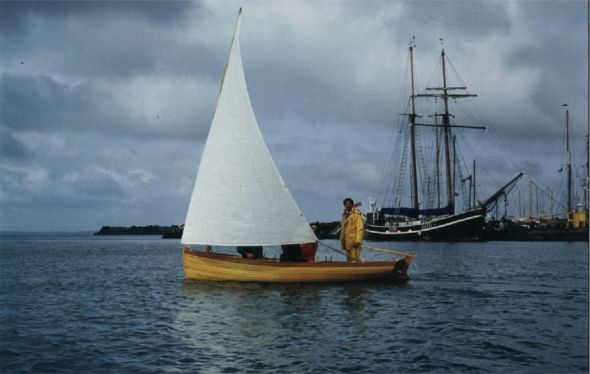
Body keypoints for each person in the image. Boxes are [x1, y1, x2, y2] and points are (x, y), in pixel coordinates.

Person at [340, 198, 364, 262]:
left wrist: (358, 241)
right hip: (347, 243)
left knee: (355, 260)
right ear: (344, 205)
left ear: (352, 205)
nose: (347, 206)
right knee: (348, 260)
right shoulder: (344, 216)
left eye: (349, 204)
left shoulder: (357, 215)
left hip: (355, 243)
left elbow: (360, 229)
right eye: (346, 204)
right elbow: (343, 230)